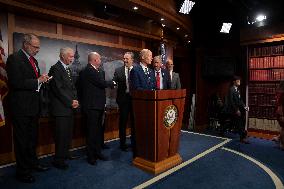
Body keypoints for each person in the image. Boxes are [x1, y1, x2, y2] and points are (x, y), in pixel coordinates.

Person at [6, 33, 49, 183]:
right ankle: (22, 172)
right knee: (22, 141)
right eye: (35, 47)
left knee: (32, 139)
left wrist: (42, 81)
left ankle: (33, 163)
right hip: (21, 108)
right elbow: (16, 83)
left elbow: (33, 82)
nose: (38, 50)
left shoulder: (34, 61)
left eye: (38, 47)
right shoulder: (14, 59)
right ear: (26, 45)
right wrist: (37, 81)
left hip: (33, 107)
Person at [79, 52, 115, 165]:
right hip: (91, 107)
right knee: (91, 132)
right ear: (94, 60)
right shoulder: (89, 70)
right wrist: (113, 83)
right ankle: (91, 156)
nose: (101, 60)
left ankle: (97, 152)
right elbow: (101, 83)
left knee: (98, 131)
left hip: (98, 106)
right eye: (99, 58)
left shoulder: (97, 70)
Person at [48, 47, 79, 170]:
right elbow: (58, 89)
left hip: (69, 108)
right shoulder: (55, 69)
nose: (72, 59)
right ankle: (58, 160)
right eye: (70, 56)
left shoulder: (67, 69)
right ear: (62, 56)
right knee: (61, 135)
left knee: (67, 134)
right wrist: (70, 102)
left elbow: (72, 88)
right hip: (60, 109)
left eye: (73, 56)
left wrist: (75, 100)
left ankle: (65, 154)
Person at [113, 52, 136, 155]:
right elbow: (114, 82)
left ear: (132, 60)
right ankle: (122, 144)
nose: (125, 60)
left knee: (134, 123)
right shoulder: (118, 71)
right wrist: (112, 84)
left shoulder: (137, 70)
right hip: (123, 101)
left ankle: (134, 143)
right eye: (124, 58)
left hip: (135, 101)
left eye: (127, 59)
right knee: (123, 123)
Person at [223, 76, 249, 143]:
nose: (239, 82)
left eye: (239, 81)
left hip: (236, 109)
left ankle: (221, 130)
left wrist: (244, 106)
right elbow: (231, 101)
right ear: (234, 82)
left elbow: (240, 100)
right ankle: (242, 138)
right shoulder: (231, 89)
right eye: (238, 81)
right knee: (239, 122)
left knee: (231, 122)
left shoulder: (237, 89)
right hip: (232, 109)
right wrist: (236, 110)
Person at [274, 81, 284, 150]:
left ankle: (278, 138)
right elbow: (280, 105)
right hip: (281, 113)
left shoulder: (279, 93)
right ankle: (282, 143)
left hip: (280, 112)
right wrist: (281, 116)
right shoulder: (282, 94)